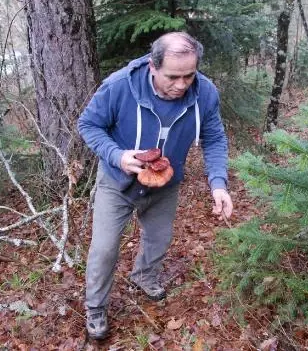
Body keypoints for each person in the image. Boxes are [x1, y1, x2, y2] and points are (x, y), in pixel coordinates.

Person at [77, 32, 233, 340]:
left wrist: (218, 184)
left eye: (189, 75)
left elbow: (214, 139)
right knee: (105, 248)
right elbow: (88, 124)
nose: (181, 84)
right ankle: (95, 306)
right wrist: (116, 155)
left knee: (159, 239)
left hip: (165, 184)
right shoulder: (120, 86)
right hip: (118, 181)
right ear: (153, 66)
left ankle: (144, 276)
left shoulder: (205, 93)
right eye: (173, 77)